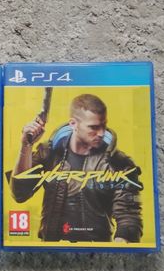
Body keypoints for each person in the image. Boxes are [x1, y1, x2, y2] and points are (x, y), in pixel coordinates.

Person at [10, 94, 143, 242]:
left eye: (103, 125)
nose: (101, 133)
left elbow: (129, 216)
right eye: (93, 127)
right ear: (73, 124)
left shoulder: (119, 163)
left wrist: (121, 243)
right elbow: (19, 193)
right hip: (51, 248)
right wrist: (26, 146)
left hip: (97, 249)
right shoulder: (48, 152)